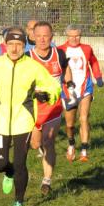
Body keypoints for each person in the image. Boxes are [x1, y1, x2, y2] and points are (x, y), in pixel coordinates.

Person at [0, 27, 61, 206]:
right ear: (5, 45)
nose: (14, 48)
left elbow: (54, 87)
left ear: (24, 46)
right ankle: (8, 173)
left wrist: (46, 95)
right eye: (11, 44)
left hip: (23, 123)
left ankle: (19, 201)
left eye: (18, 45)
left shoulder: (33, 66)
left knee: (19, 163)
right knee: (0, 164)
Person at [27, 21, 72, 195]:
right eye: (38, 36)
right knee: (35, 143)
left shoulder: (59, 54)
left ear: (52, 37)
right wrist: (34, 93)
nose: (42, 39)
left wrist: (69, 82)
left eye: (46, 36)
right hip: (34, 108)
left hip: (53, 107)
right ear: (33, 37)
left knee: (49, 140)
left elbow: (65, 68)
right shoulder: (28, 58)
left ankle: (47, 180)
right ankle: (40, 150)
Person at [58, 24, 104, 162]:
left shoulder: (87, 49)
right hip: (68, 91)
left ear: (81, 35)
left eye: (77, 36)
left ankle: (84, 151)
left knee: (84, 118)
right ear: (67, 36)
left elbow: (94, 62)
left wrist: (98, 77)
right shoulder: (60, 50)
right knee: (69, 125)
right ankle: (71, 144)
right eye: (71, 36)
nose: (74, 38)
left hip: (85, 88)